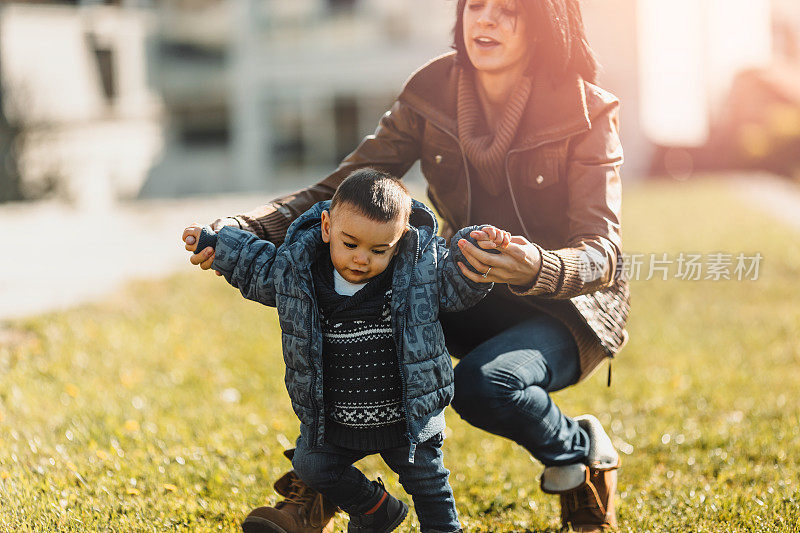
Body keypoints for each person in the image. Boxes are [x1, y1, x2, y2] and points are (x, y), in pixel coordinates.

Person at [185, 0, 630, 530]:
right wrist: (249, 228)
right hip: (466, 284)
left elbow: (605, 252)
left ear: (542, 26)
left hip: (565, 306)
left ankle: (579, 453)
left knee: (486, 386)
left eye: (508, 10)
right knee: (351, 314)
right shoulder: (432, 92)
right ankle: (319, 489)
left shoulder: (587, 111)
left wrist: (538, 265)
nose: (484, 20)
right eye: (476, 5)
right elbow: (343, 190)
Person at [183, 169, 496, 533]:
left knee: (430, 485)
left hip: (408, 421)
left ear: (401, 239)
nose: (362, 259)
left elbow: (457, 284)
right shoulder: (299, 273)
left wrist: (480, 253)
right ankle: (376, 507)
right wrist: (215, 244)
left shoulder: (419, 272)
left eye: (380, 250)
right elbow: (258, 265)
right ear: (327, 227)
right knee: (312, 466)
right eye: (351, 245)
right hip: (335, 420)